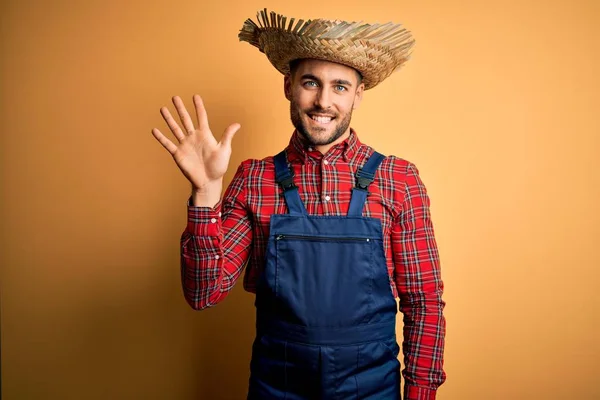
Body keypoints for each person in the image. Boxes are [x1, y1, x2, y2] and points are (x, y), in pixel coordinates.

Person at [151, 9, 446, 400]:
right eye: (311, 82)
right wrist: (206, 192)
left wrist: (421, 394)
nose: (323, 101)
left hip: (371, 388)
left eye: (340, 86)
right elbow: (204, 293)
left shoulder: (398, 180)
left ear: (358, 93)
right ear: (288, 86)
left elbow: (423, 302)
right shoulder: (255, 179)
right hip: (279, 387)